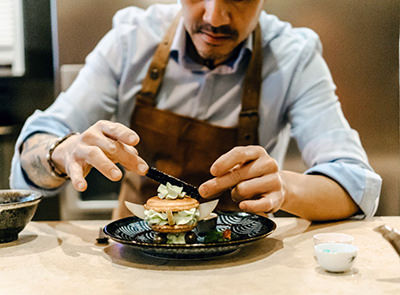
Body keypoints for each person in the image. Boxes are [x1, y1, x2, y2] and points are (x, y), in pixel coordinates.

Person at [10, 0, 381, 221]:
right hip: (134, 261)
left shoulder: (294, 56)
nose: (215, 17)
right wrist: (61, 152)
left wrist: (286, 188)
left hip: (243, 264)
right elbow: (32, 156)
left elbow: (356, 185)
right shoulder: (131, 38)